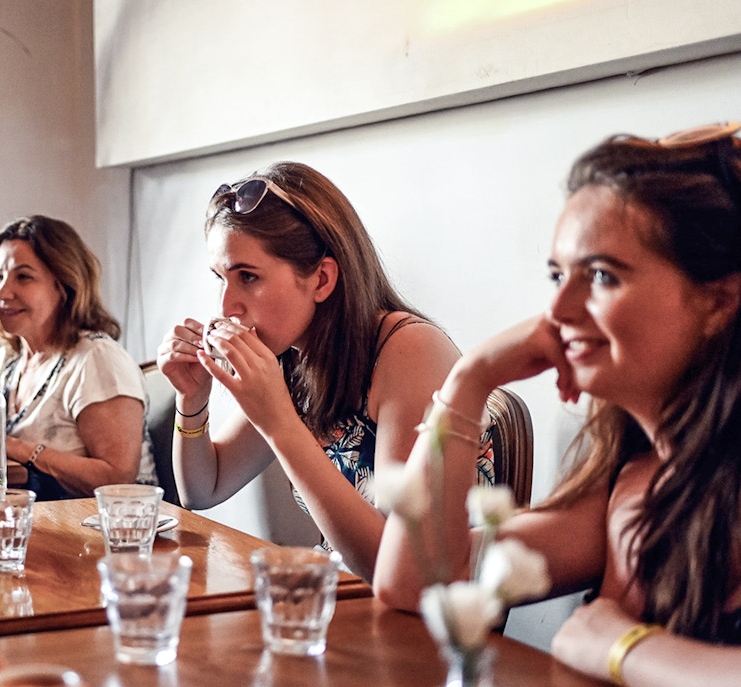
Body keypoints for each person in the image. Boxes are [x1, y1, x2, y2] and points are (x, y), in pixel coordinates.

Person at [374, 123, 741, 685]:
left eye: (599, 275)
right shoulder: (631, 479)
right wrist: (471, 379)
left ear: (718, 301)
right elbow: (413, 585)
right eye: (556, 274)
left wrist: (622, 647)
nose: (558, 310)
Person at [156, 161, 493, 579]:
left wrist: (279, 422)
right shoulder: (296, 356)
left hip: (418, 617)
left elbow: (398, 564)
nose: (227, 306)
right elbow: (203, 489)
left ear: (321, 279)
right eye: (221, 278)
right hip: (341, 595)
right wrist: (193, 399)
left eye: (248, 276)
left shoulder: (409, 351)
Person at [0, 216, 155, 501]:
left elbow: (116, 479)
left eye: (23, 277)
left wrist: (15, 447)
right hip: (34, 523)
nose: (1, 292)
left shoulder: (96, 359)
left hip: (108, 533)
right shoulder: (9, 364)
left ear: (64, 285)